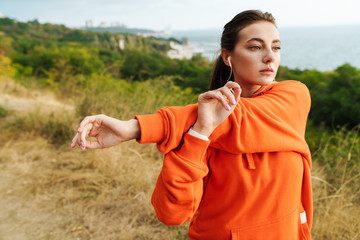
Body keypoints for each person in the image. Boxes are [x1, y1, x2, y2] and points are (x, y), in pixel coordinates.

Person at [71, 10, 312, 240]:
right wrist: (199, 135)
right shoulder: (199, 127)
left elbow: (240, 116)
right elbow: (172, 214)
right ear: (227, 56)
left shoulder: (293, 96)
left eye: (276, 47)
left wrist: (134, 128)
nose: (270, 56)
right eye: (255, 47)